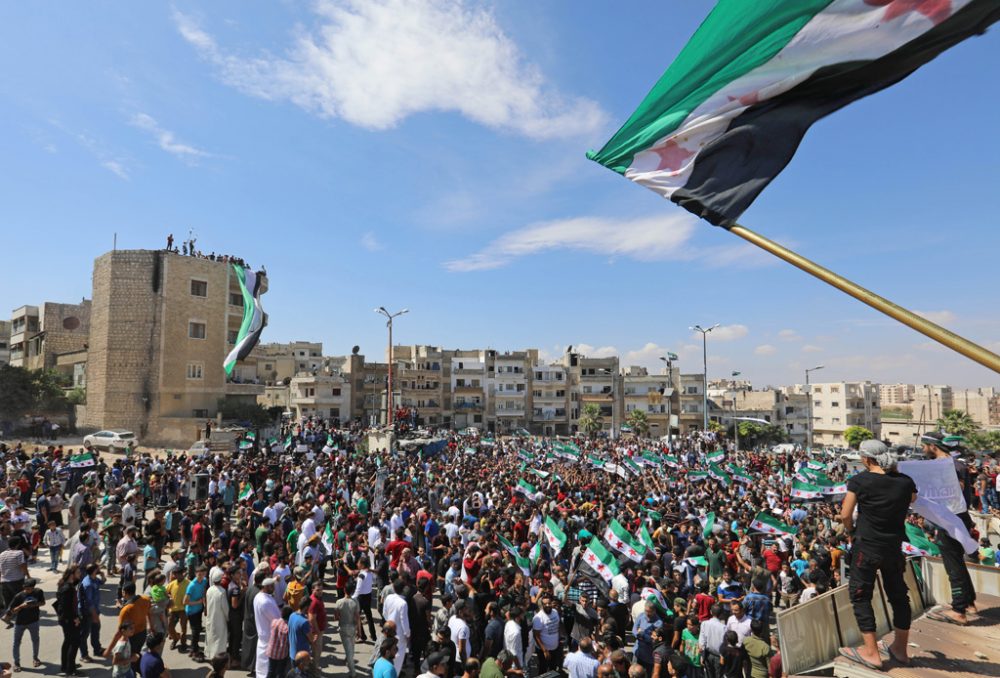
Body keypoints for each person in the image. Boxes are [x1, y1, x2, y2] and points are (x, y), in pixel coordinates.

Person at [838, 440, 915, 670]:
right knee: (899, 596)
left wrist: (851, 531)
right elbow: (912, 499)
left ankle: (871, 652)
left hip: (867, 547)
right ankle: (900, 649)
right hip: (893, 548)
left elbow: (845, 514)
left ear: (867, 459)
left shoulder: (859, 481)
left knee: (861, 595)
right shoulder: (905, 482)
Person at [921, 431, 978, 624]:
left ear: (933, 446)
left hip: (950, 520)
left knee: (952, 564)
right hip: (957, 519)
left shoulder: (946, 467)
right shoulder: (954, 464)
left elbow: (956, 489)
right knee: (957, 561)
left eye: (924, 445)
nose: (922, 449)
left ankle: (958, 610)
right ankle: (968, 602)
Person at [7, 577, 43, 671]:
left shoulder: (38, 592)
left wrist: (34, 604)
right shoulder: (18, 596)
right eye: (25, 588)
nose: (26, 590)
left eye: (29, 588)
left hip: (34, 621)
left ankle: (35, 658)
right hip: (20, 623)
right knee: (16, 643)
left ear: (33, 587)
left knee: (35, 640)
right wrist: (21, 606)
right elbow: (12, 610)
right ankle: (17, 663)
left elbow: (43, 603)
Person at [55, 565, 84, 676]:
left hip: (66, 619)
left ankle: (65, 665)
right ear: (72, 575)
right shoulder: (68, 589)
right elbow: (66, 607)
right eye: (78, 572)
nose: (80, 574)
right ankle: (70, 670)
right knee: (74, 642)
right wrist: (75, 619)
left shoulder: (67, 585)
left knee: (68, 641)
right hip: (69, 620)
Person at [253, 577, 281, 678]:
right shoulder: (265, 602)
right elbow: (277, 618)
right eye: (272, 586)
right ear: (267, 587)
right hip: (268, 636)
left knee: (261, 665)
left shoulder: (258, 596)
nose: (274, 588)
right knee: (266, 667)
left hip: (263, 636)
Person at [334, 580, 361, 678]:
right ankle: (348, 660)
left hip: (343, 628)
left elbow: (336, 617)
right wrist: (360, 631)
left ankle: (353, 672)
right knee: (351, 646)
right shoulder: (355, 602)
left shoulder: (339, 602)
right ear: (353, 591)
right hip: (353, 627)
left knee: (349, 649)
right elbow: (358, 618)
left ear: (344, 590)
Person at [533, 593, 564, 675]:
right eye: (545, 604)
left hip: (555, 648)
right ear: (542, 605)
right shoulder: (538, 618)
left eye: (549, 603)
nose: (547, 605)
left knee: (553, 669)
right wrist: (545, 650)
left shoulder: (555, 612)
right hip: (544, 651)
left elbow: (558, 625)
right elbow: (536, 636)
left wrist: (560, 638)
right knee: (543, 670)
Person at [204, 569, 229, 661]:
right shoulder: (222, 591)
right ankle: (218, 657)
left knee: (211, 636)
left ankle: (211, 655)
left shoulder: (209, 590)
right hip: (220, 619)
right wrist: (228, 618)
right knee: (220, 638)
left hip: (211, 618)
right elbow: (225, 608)